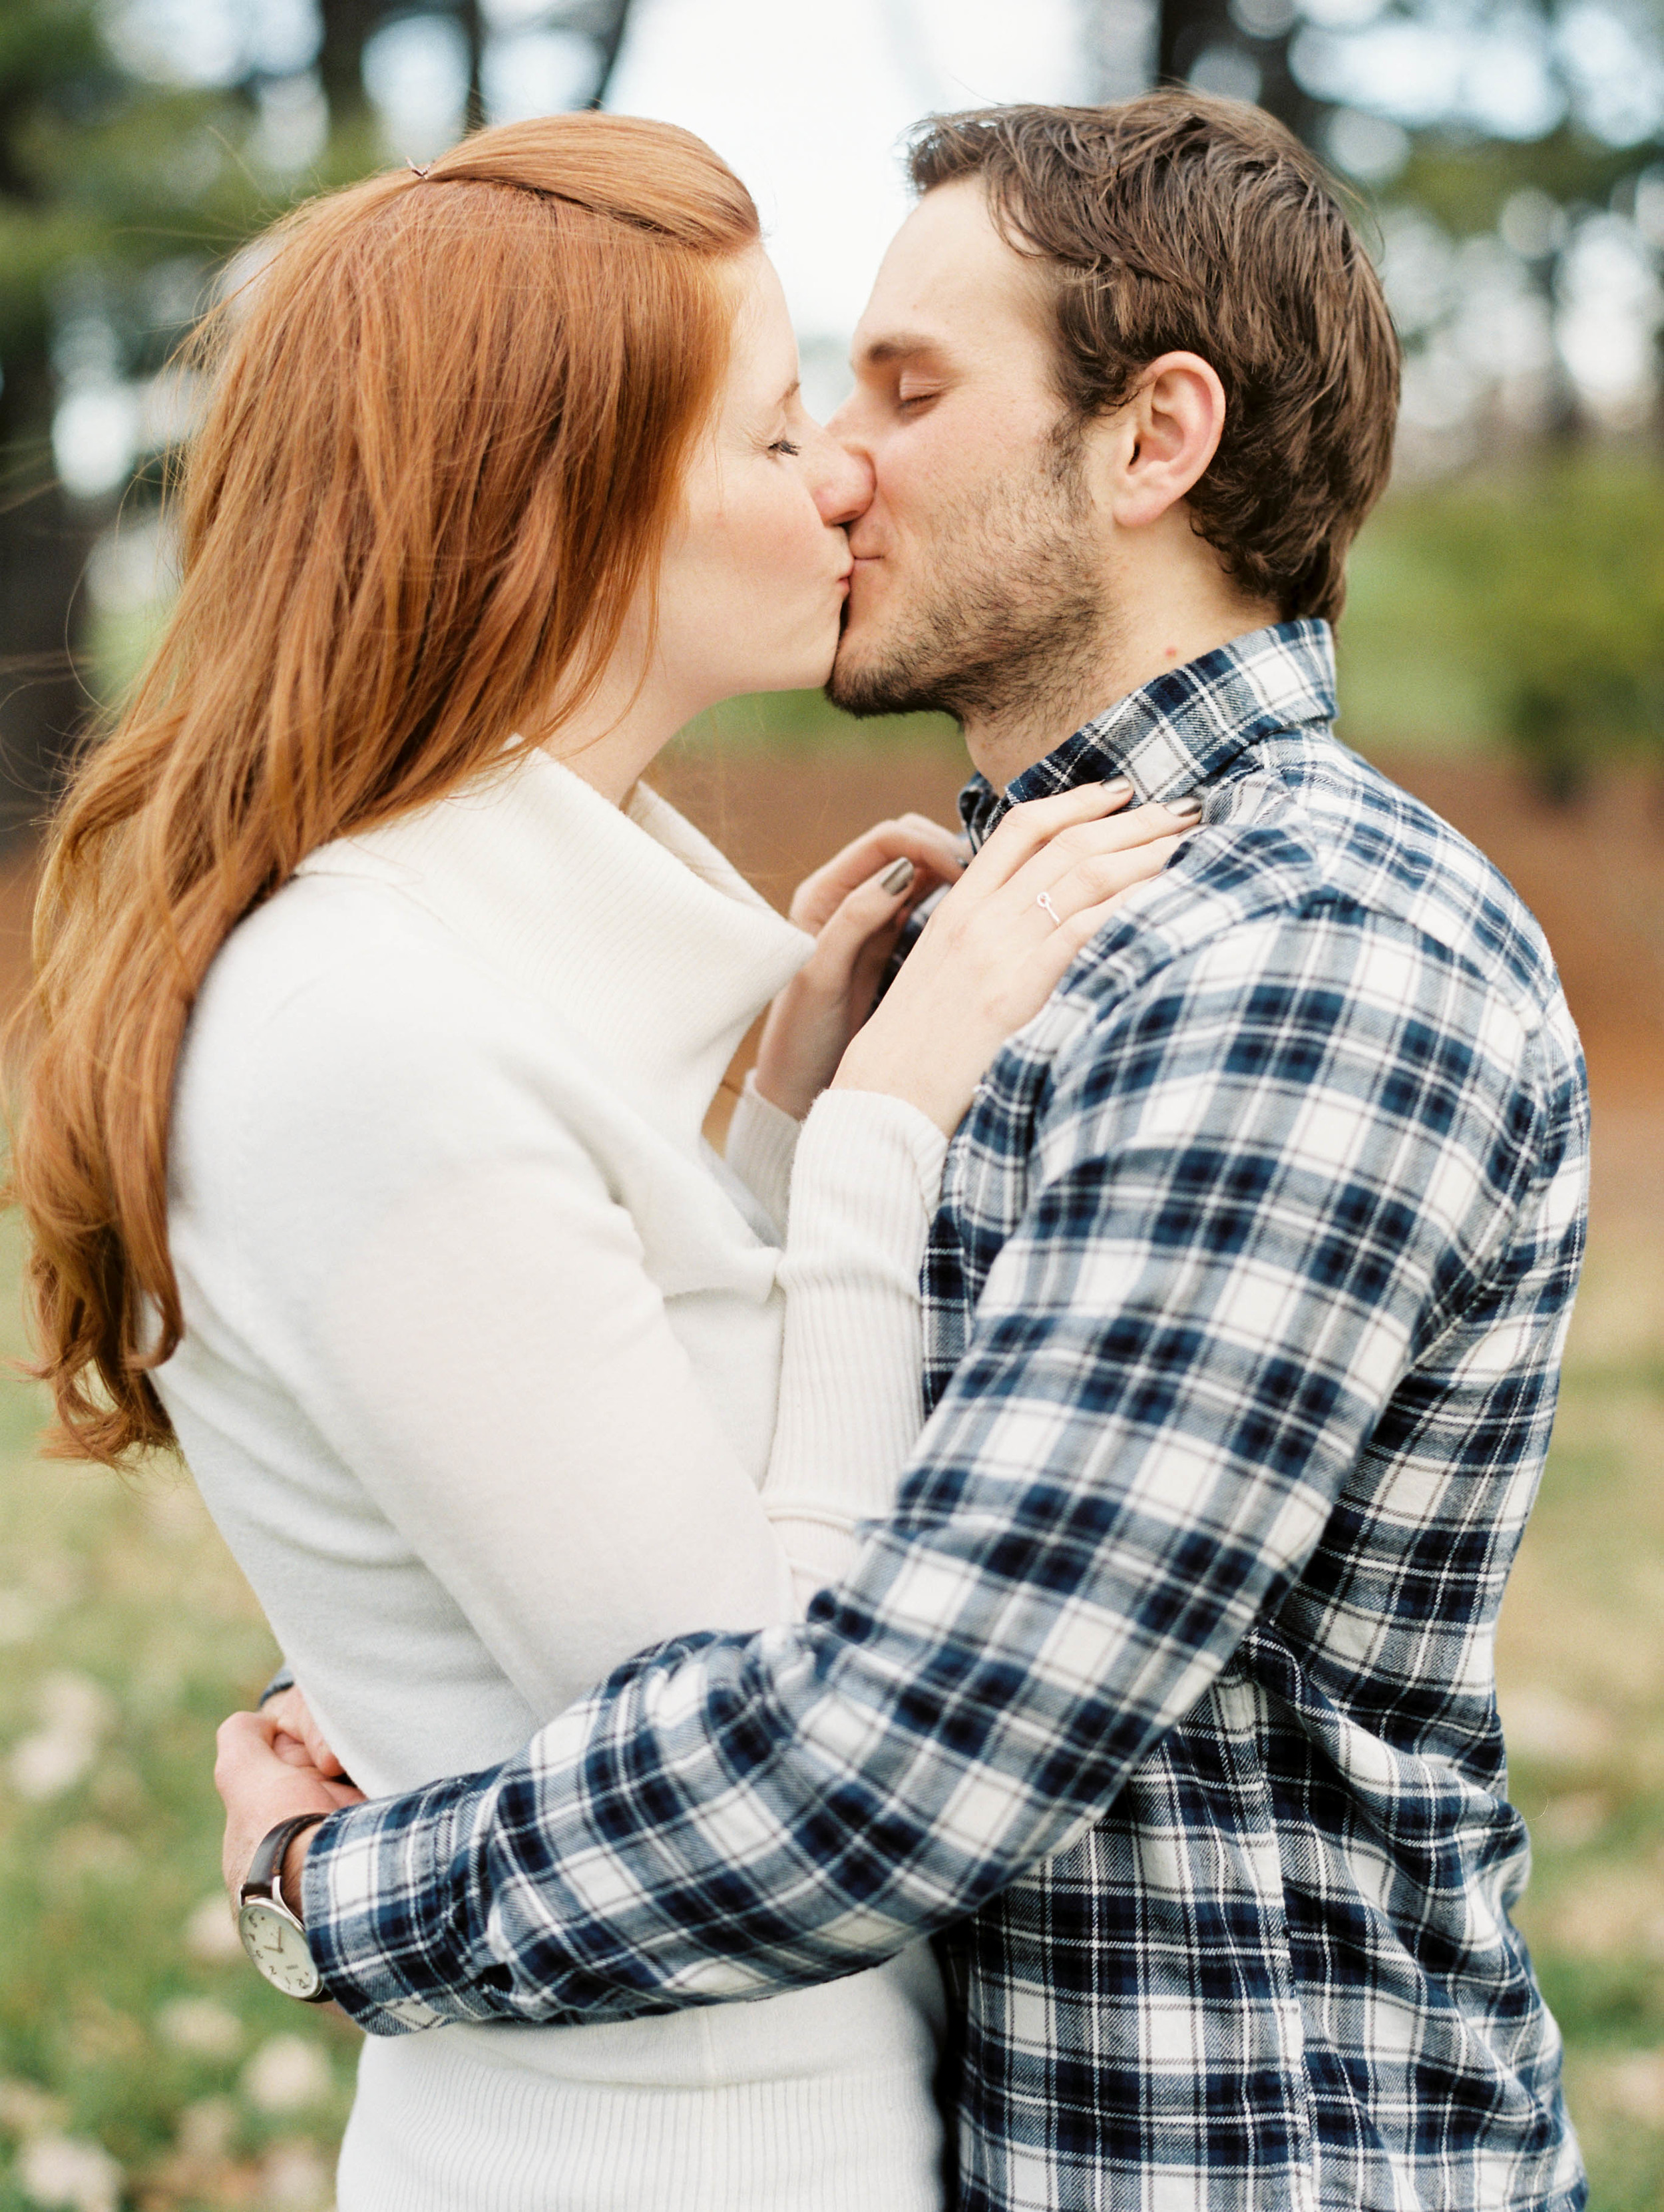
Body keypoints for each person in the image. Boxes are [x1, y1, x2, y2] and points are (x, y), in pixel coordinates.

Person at [218, 94, 1589, 2212]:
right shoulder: (999, 934)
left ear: (1150, 442)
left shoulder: (1300, 963)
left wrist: (351, 1887)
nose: (834, 463)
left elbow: (903, 1759)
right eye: (816, 399)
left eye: (905, 386)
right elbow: (793, 1517)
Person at [7, 115, 1193, 2212]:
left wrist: (766, 1134)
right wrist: (880, 1141)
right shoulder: (355, 1025)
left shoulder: (486, 975)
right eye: (767, 435)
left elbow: (600, 1492)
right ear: (552, 522)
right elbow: (768, 1727)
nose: (839, 472)